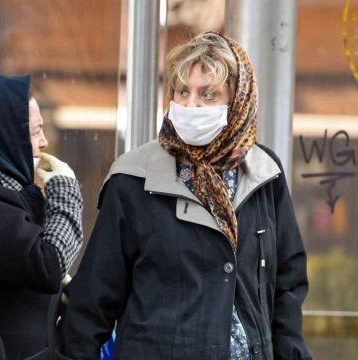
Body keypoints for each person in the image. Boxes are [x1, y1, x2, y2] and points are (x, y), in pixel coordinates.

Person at [60, 32, 310, 359]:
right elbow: (94, 297)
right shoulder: (134, 177)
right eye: (182, 92)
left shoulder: (264, 173)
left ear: (238, 102)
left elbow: (286, 285)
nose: (191, 106)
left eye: (208, 95)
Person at [0, 74, 84, 359]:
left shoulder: (14, 193)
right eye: (35, 132)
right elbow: (48, 265)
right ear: (2, 135)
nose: (44, 142)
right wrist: (66, 191)